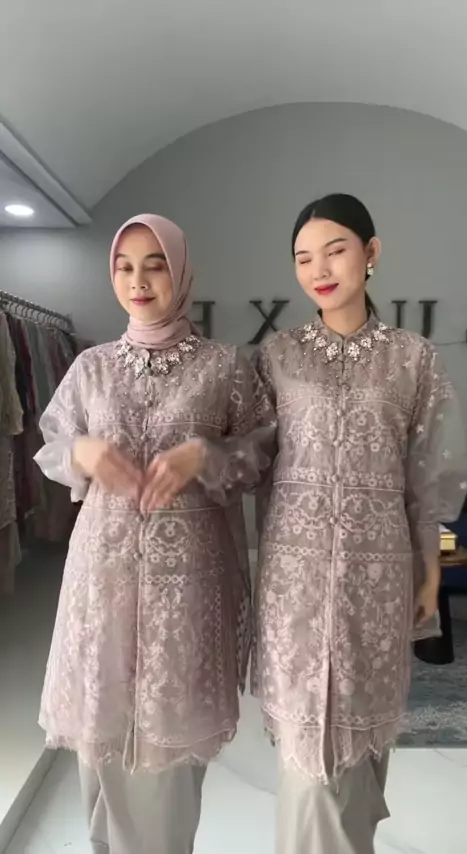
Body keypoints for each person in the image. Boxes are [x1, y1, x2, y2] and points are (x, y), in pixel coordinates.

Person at [34, 213, 276, 854]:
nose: (138, 281)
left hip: (187, 592)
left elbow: (263, 451)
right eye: (124, 267)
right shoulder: (90, 367)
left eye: (155, 265)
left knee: (170, 760)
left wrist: (206, 455)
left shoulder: (225, 367)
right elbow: (53, 442)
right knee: (102, 739)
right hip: (102, 582)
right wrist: (82, 451)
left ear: (182, 271)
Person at [252, 194, 467, 854]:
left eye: (335, 250)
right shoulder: (277, 356)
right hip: (294, 580)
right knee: (306, 754)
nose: (319, 269)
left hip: (378, 578)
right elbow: (249, 456)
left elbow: (428, 475)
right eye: (303, 258)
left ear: (371, 253)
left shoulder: (413, 358)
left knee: (361, 745)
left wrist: (430, 570)